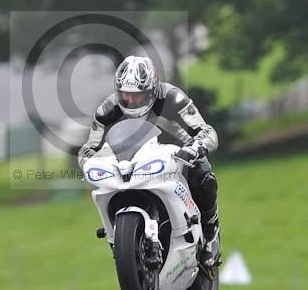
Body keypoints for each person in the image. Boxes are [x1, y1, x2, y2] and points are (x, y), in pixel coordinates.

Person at [78, 54, 221, 269]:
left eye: (139, 95)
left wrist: (194, 149)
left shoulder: (173, 99)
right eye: (126, 95)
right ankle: (119, 238)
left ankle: (210, 234)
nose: (132, 101)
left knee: (203, 175)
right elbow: (89, 149)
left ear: (153, 89)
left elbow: (207, 132)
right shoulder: (107, 111)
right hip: (132, 162)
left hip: (175, 156)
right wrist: (89, 164)